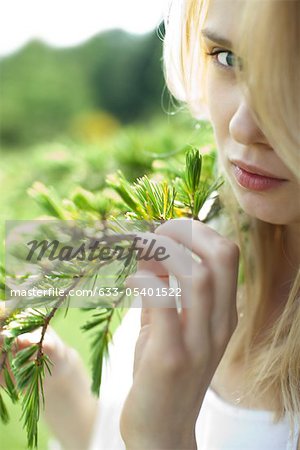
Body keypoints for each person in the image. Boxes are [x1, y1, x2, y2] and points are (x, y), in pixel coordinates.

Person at [1, 0, 299, 449]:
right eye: (227, 58)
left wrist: (163, 438)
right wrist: (60, 384)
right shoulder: (193, 233)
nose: (243, 125)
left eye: (293, 77)